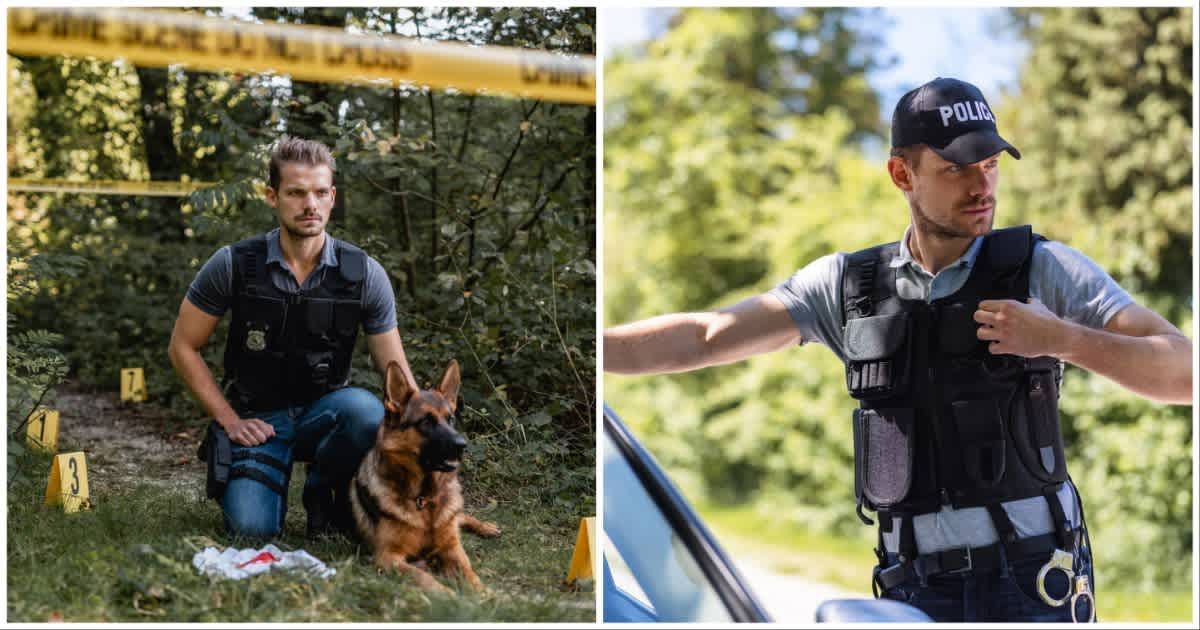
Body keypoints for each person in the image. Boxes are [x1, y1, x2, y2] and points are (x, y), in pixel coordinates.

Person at [604, 77, 1193, 622]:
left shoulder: (1042, 268)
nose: (982, 185)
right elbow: (705, 334)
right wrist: (583, 350)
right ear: (901, 174)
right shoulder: (847, 287)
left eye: (990, 164)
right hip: (911, 592)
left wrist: (1061, 338)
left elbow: (1184, 373)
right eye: (956, 168)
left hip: (1033, 587)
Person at [168, 137, 417, 540]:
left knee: (366, 413)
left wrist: (423, 437)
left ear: (332, 197)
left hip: (327, 413)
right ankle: (256, 473)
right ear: (273, 196)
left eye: (320, 193)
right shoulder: (234, 263)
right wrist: (229, 420)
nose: (310, 205)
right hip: (257, 418)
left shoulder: (364, 273)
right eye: (296, 193)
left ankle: (323, 496)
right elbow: (182, 346)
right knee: (251, 531)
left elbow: (397, 375)